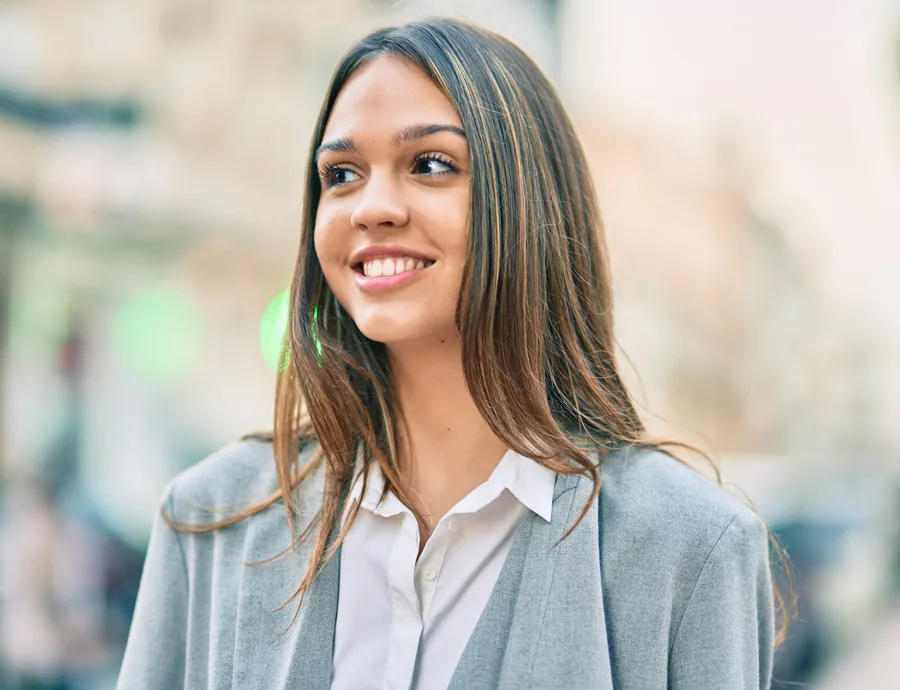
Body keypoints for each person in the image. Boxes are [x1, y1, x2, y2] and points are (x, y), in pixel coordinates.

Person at [117, 17, 781, 690]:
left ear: (528, 202)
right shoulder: (208, 522)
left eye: (430, 165)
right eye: (341, 174)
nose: (371, 207)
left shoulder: (689, 550)